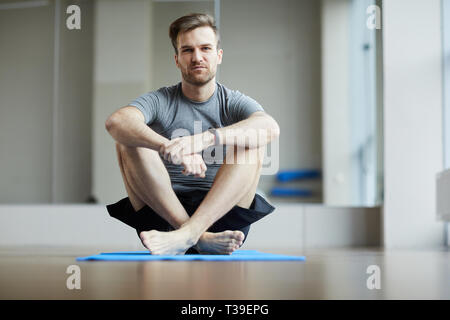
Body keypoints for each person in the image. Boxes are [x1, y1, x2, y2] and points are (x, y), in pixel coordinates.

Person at [105, 13, 280, 255]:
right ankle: (198, 237)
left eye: (205, 48)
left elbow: (270, 127)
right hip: (162, 215)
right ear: (177, 60)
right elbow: (117, 122)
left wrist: (205, 138)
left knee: (254, 140)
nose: (197, 57)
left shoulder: (233, 101)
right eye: (187, 50)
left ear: (218, 56)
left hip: (222, 216)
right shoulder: (160, 100)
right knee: (127, 141)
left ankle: (189, 234)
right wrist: (167, 146)